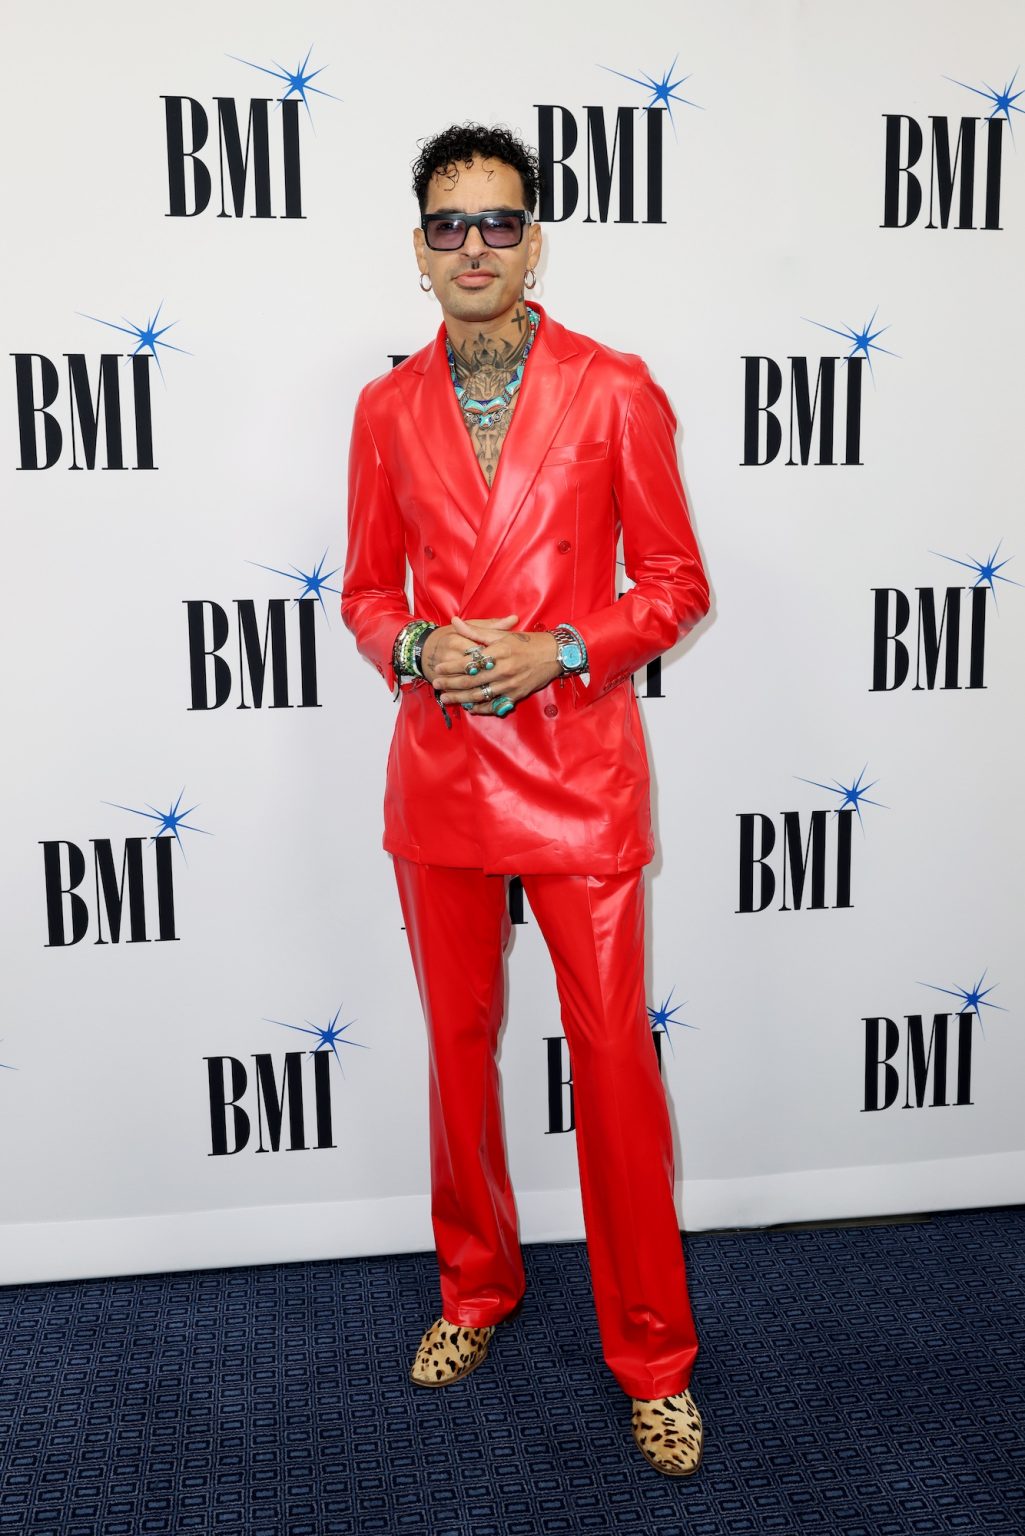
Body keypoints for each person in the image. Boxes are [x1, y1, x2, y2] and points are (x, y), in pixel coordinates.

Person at [341, 122, 710, 1477]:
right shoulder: (384, 412)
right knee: (456, 1048)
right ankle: (474, 1286)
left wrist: (559, 647)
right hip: (440, 766)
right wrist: (408, 647)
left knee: (612, 1065)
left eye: (499, 222)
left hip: (574, 766)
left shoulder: (613, 391)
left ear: (535, 238)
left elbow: (672, 586)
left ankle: (652, 1355)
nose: (475, 248)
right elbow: (365, 587)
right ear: (419, 247)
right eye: (449, 225)